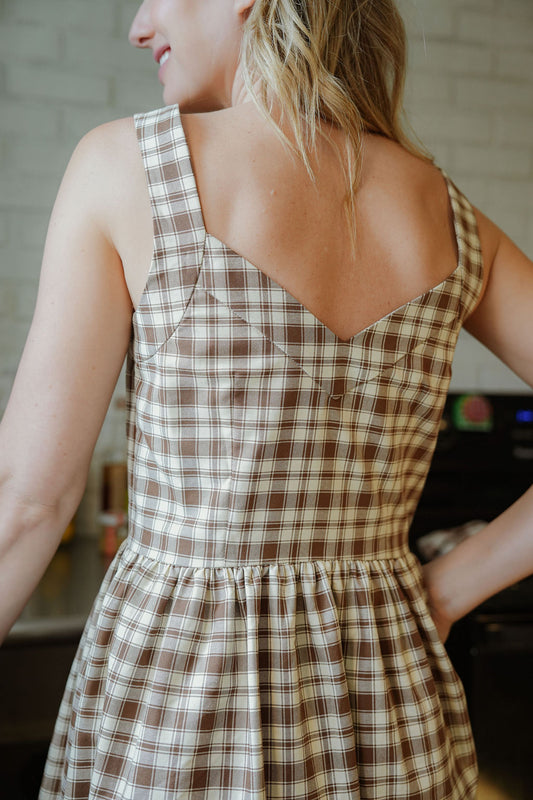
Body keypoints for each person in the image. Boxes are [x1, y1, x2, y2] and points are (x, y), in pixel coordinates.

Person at [0, 0, 531, 797]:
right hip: (390, 707)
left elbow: (28, 502)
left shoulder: (128, 166)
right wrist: (446, 587)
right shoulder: (448, 214)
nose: (139, 26)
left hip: (177, 701)